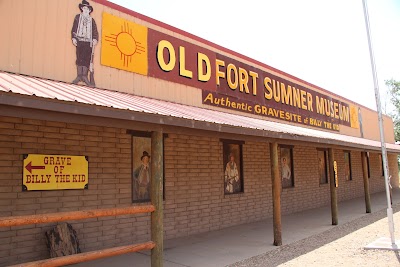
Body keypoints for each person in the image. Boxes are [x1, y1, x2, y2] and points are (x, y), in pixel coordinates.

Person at [71, 0, 98, 87]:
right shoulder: (78, 17)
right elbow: (74, 28)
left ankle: (85, 76)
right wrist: (74, 38)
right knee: (79, 57)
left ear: (89, 10)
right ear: (82, 9)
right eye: (84, 8)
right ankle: (79, 75)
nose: (86, 10)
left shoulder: (92, 20)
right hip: (80, 40)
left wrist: (95, 39)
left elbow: (95, 31)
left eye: (87, 9)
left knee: (86, 59)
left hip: (88, 42)